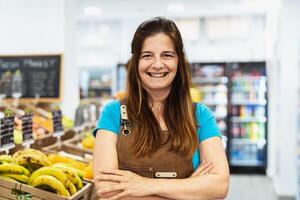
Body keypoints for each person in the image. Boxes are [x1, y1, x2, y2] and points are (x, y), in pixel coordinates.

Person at [93, 16, 229, 200]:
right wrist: (189, 188)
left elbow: (219, 186)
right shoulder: (113, 113)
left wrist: (145, 185)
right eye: (147, 55)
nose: (157, 64)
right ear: (136, 63)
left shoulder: (200, 115)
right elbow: (108, 189)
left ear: (178, 61)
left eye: (167, 55)